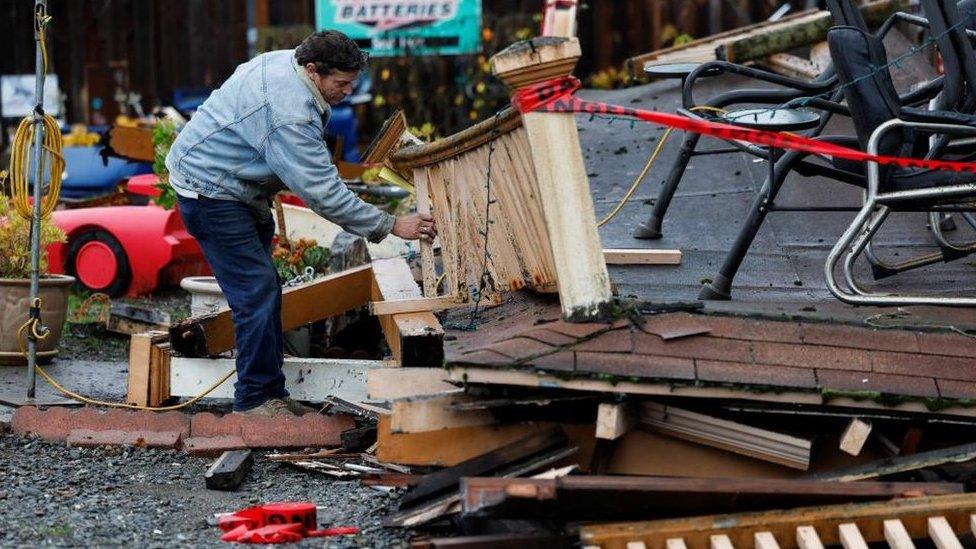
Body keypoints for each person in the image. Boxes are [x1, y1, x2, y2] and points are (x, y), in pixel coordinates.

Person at [165, 30, 436, 417]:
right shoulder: (289, 114)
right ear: (313, 70)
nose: (347, 92)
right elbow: (323, 194)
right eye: (341, 84)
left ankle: (268, 390)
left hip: (234, 186)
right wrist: (391, 225)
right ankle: (255, 402)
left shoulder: (288, 62)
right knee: (256, 293)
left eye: (352, 83)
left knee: (265, 289)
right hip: (211, 192)